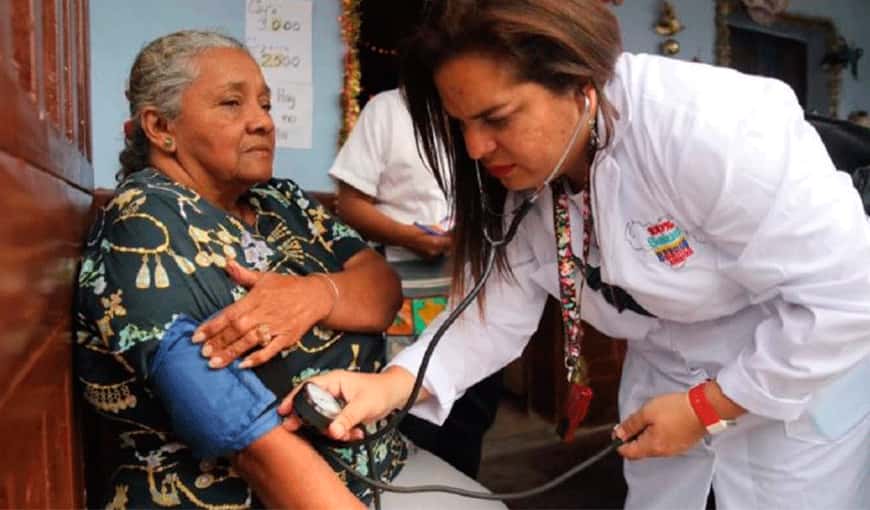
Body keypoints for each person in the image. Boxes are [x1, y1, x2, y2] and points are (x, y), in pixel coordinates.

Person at [279, 2, 870, 509]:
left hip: (796, 376)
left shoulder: (709, 127)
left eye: (496, 119)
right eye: (462, 126)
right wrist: (390, 386)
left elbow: (847, 297)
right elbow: (493, 316)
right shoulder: (529, 181)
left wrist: (707, 406)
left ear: (581, 83)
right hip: (667, 377)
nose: (476, 148)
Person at [76, 30, 504, 510]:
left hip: (375, 463)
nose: (262, 121)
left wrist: (316, 295)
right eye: (232, 103)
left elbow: (383, 290)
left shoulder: (281, 200)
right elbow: (251, 442)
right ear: (159, 127)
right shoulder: (145, 229)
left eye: (265, 104)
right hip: (253, 495)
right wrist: (341, 294)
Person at [329, 88, 502, 478]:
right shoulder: (387, 110)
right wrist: (409, 236)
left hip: (474, 280)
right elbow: (349, 205)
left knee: (471, 410)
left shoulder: (481, 109)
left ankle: (460, 491)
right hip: (407, 286)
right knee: (411, 408)